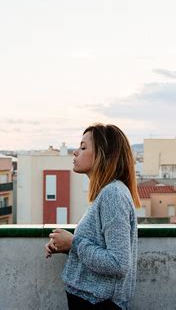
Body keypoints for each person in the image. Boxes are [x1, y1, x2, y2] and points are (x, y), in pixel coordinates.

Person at [45, 123, 141, 310]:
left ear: (102, 154)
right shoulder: (107, 193)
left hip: (98, 303)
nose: (75, 152)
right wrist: (67, 246)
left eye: (83, 147)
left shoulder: (112, 194)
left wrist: (74, 243)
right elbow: (100, 248)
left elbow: (118, 263)